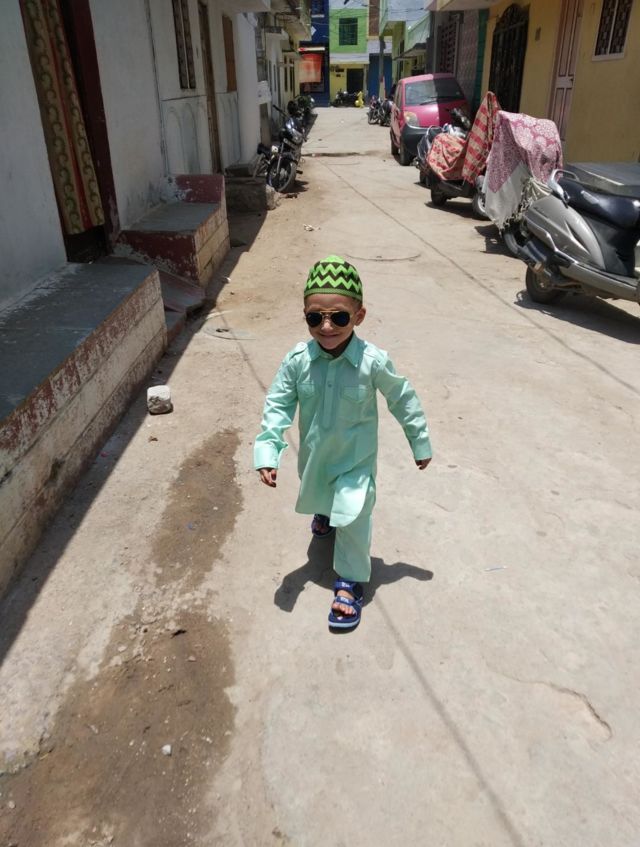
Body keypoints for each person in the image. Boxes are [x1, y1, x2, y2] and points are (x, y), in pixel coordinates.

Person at [254, 256, 432, 630]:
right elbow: (278, 404)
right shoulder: (298, 361)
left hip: (356, 462)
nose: (326, 327)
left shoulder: (372, 362)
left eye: (339, 317)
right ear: (305, 316)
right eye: (314, 318)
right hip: (316, 458)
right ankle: (325, 512)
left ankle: (349, 581)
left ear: (359, 316)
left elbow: (402, 398)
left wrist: (419, 441)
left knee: (353, 515)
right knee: (321, 491)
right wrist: (268, 451)